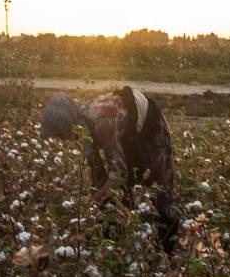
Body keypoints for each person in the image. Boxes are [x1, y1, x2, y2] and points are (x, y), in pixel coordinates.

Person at [40, 86, 178, 253]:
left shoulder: (100, 124)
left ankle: (169, 248)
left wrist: (95, 200)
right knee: (123, 194)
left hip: (150, 123)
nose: (63, 140)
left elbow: (119, 172)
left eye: (61, 134)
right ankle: (119, 242)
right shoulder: (82, 130)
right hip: (127, 131)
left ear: (69, 125)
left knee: (157, 186)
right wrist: (95, 207)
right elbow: (97, 171)